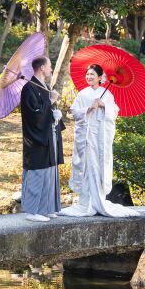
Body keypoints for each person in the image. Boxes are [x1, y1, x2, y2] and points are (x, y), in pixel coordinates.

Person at [59, 64, 138, 218]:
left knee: (98, 166)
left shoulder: (106, 94)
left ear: (100, 77)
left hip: (100, 137)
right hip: (86, 138)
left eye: (92, 75)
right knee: (87, 166)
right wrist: (88, 109)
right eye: (87, 74)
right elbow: (74, 112)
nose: (89, 77)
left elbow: (114, 112)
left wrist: (103, 105)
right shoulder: (82, 94)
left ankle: (98, 200)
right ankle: (86, 201)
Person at [20, 57, 65, 222]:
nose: (51, 69)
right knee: (37, 173)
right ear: (42, 68)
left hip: (49, 136)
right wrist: (50, 101)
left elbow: (46, 111)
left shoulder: (44, 87)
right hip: (36, 138)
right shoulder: (28, 88)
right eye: (50, 66)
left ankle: (46, 208)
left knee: (50, 172)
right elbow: (34, 115)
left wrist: (56, 116)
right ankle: (32, 211)